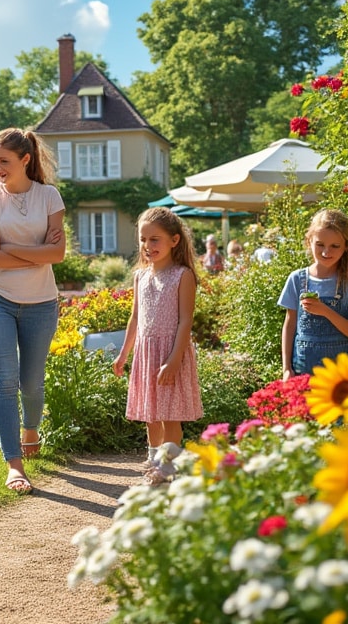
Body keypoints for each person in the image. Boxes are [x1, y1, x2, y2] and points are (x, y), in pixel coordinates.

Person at [0, 128, 65, 495]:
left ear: (25, 159)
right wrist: (34, 252)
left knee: (32, 381)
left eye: (4, 161)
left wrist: (8, 247)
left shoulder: (49, 196)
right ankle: (14, 465)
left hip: (42, 302)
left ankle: (31, 429)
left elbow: (57, 255)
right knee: (5, 380)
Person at [113, 207, 204, 487]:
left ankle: (168, 467)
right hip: (146, 353)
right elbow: (135, 317)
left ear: (174, 241)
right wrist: (123, 352)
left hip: (169, 353)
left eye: (155, 239)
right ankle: (154, 464)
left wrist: (175, 359)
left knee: (169, 415)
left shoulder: (182, 275)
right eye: (143, 239)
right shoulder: (141, 276)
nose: (147, 246)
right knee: (151, 414)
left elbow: (185, 320)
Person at [279, 209, 348, 380]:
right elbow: (290, 325)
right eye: (320, 244)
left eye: (335, 246)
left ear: (346, 247)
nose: (326, 252)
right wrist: (287, 368)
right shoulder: (297, 279)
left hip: (340, 377)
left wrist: (325, 310)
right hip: (302, 372)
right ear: (309, 241)